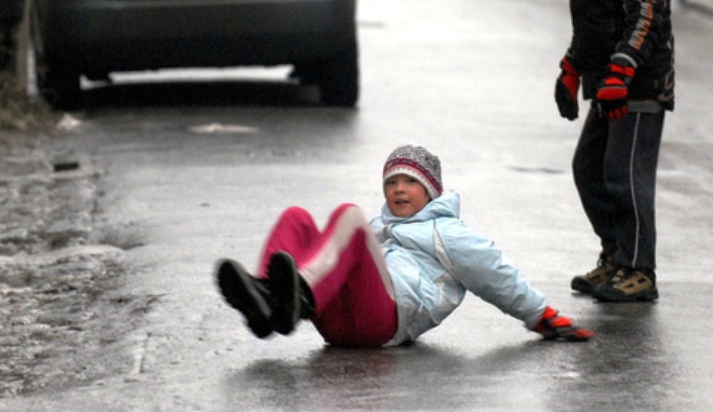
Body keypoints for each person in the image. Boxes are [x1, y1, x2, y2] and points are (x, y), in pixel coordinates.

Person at [214, 145, 593, 347]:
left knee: (349, 217)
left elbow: (497, 275)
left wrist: (542, 315)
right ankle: (266, 300)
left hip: (385, 321)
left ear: (430, 191)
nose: (398, 189)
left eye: (410, 182)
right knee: (297, 216)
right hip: (335, 326)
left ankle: (298, 294)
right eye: (391, 182)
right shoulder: (379, 228)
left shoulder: (449, 234)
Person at [550, 0, 674, 302]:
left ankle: (640, 269)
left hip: (638, 90)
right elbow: (592, 31)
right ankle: (615, 257)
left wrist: (621, 75)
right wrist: (571, 68)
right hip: (607, 90)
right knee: (589, 170)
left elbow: (646, 24)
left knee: (625, 178)